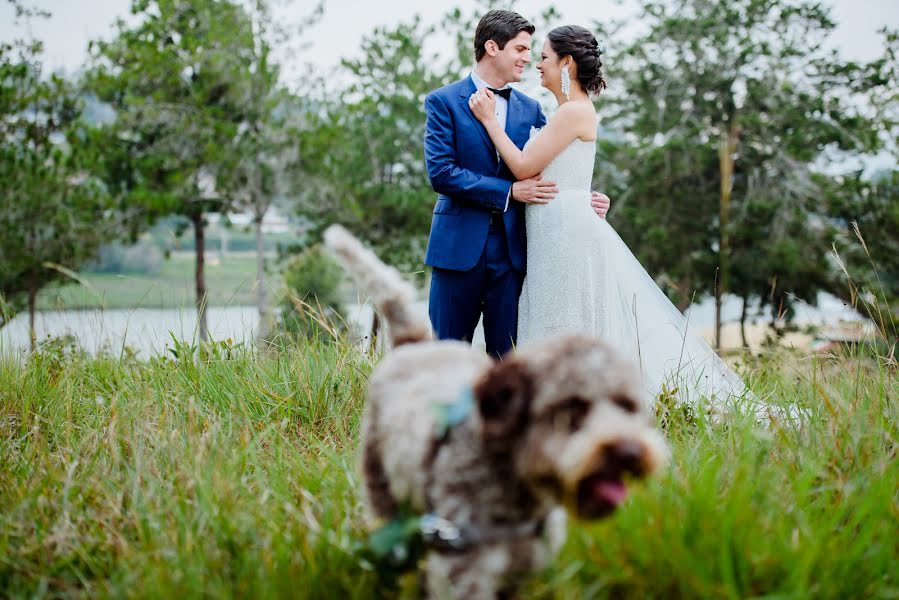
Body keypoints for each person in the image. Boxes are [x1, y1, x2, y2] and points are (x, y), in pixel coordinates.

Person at [469, 25, 747, 405]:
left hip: (565, 233)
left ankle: (577, 399)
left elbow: (522, 167)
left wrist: (489, 121)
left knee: (569, 312)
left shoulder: (573, 112)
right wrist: (586, 195)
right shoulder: (567, 112)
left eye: (545, 57)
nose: (538, 64)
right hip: (555, 228)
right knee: (557, 311)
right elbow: (566, 173)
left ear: (566, 63)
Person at [423, 10, 611, 358]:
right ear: (492, 47)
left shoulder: (533, 110)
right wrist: (507, 192)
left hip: (515, 255)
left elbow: (547, 170)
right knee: (445, 357)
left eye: (533, 52)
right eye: (521, 49)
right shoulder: (443, 101)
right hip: (457, 250)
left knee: (508, 359)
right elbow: (441, 172)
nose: (529, 59)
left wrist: (583, 197)